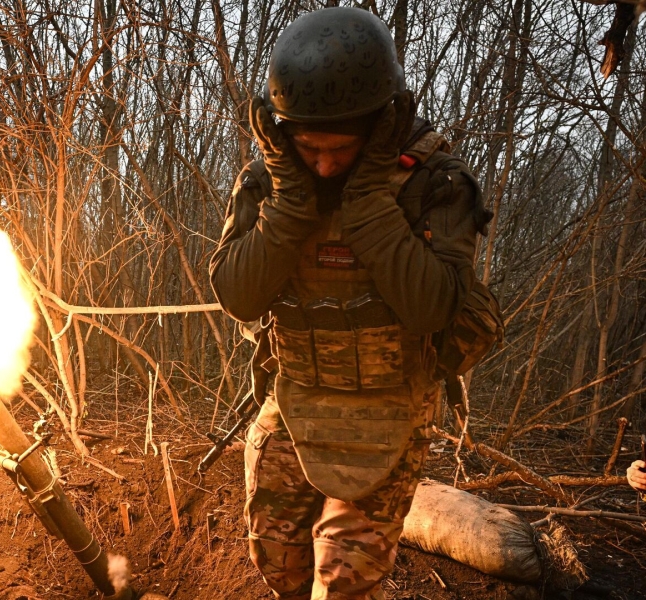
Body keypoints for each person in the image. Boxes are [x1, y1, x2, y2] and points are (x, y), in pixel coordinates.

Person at [210, 7, 491, 599]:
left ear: (379, 126)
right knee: (277, 562)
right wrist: (289, 203)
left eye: (342, 149)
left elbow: (432, 308)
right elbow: (239, 294)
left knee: (342, 581)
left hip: (391, 402)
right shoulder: (274, 179)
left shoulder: (434, 184)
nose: (326, 163)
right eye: (309, 147)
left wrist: (366, 203)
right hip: (295, 393)